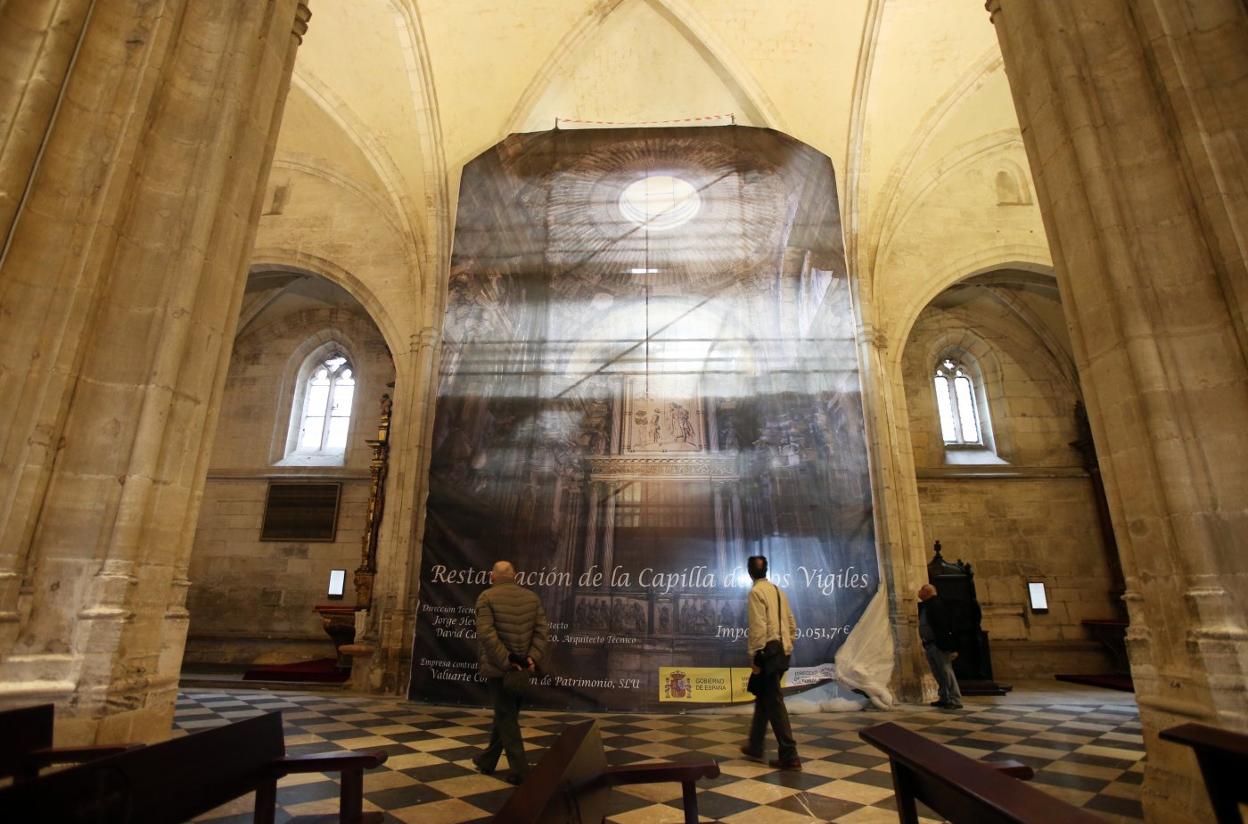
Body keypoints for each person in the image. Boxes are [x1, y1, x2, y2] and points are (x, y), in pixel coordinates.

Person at [473, 560, 548, 784]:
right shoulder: (532, 598)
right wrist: (531, 657)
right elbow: (541, 631)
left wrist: (506, 661)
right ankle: (487, 760)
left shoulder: (486, 597)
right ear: (516, 576)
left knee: (506, 716)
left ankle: (521, 770)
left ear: (491, 576)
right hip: (523, 668)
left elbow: (486, 634)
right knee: (507, 714)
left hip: (499, 670)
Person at [740, 555, 801, 770]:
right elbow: (792, 624)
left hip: (767, 654)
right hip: (782, 652)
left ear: (749, 572)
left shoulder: (756, 592)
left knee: (773, 702)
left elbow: (758, 627)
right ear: (766, 570)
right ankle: (755, 745)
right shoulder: (778, 591)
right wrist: (787, 644)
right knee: (765, 697)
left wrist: (755, 657)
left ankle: (790, 754)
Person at [917, 583, 963, 709]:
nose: (919, 593)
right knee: (938, 673)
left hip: (938, 644)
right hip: (930, 644)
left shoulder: (937, 605)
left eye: (921, 591)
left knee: (946, 672)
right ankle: (944, 697)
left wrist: (945, 644)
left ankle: (955, 699)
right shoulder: (928, 605)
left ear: (926, 593)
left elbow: (943, 626)